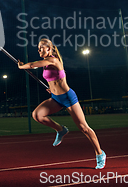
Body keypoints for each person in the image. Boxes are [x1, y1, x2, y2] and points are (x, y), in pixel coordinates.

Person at [18, 38, 106, 169]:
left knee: (84, 127)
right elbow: (52, 78)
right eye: (38, 48)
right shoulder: (46, 63)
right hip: (55, 98)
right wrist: (52, 88)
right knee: (37, 115)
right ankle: (61, 129)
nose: (39, 50)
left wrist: (21, 66)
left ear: (49, 49)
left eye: (41, 47)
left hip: (68, 97)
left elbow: (32, 65)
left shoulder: (53, 60)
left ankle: (100, 154)